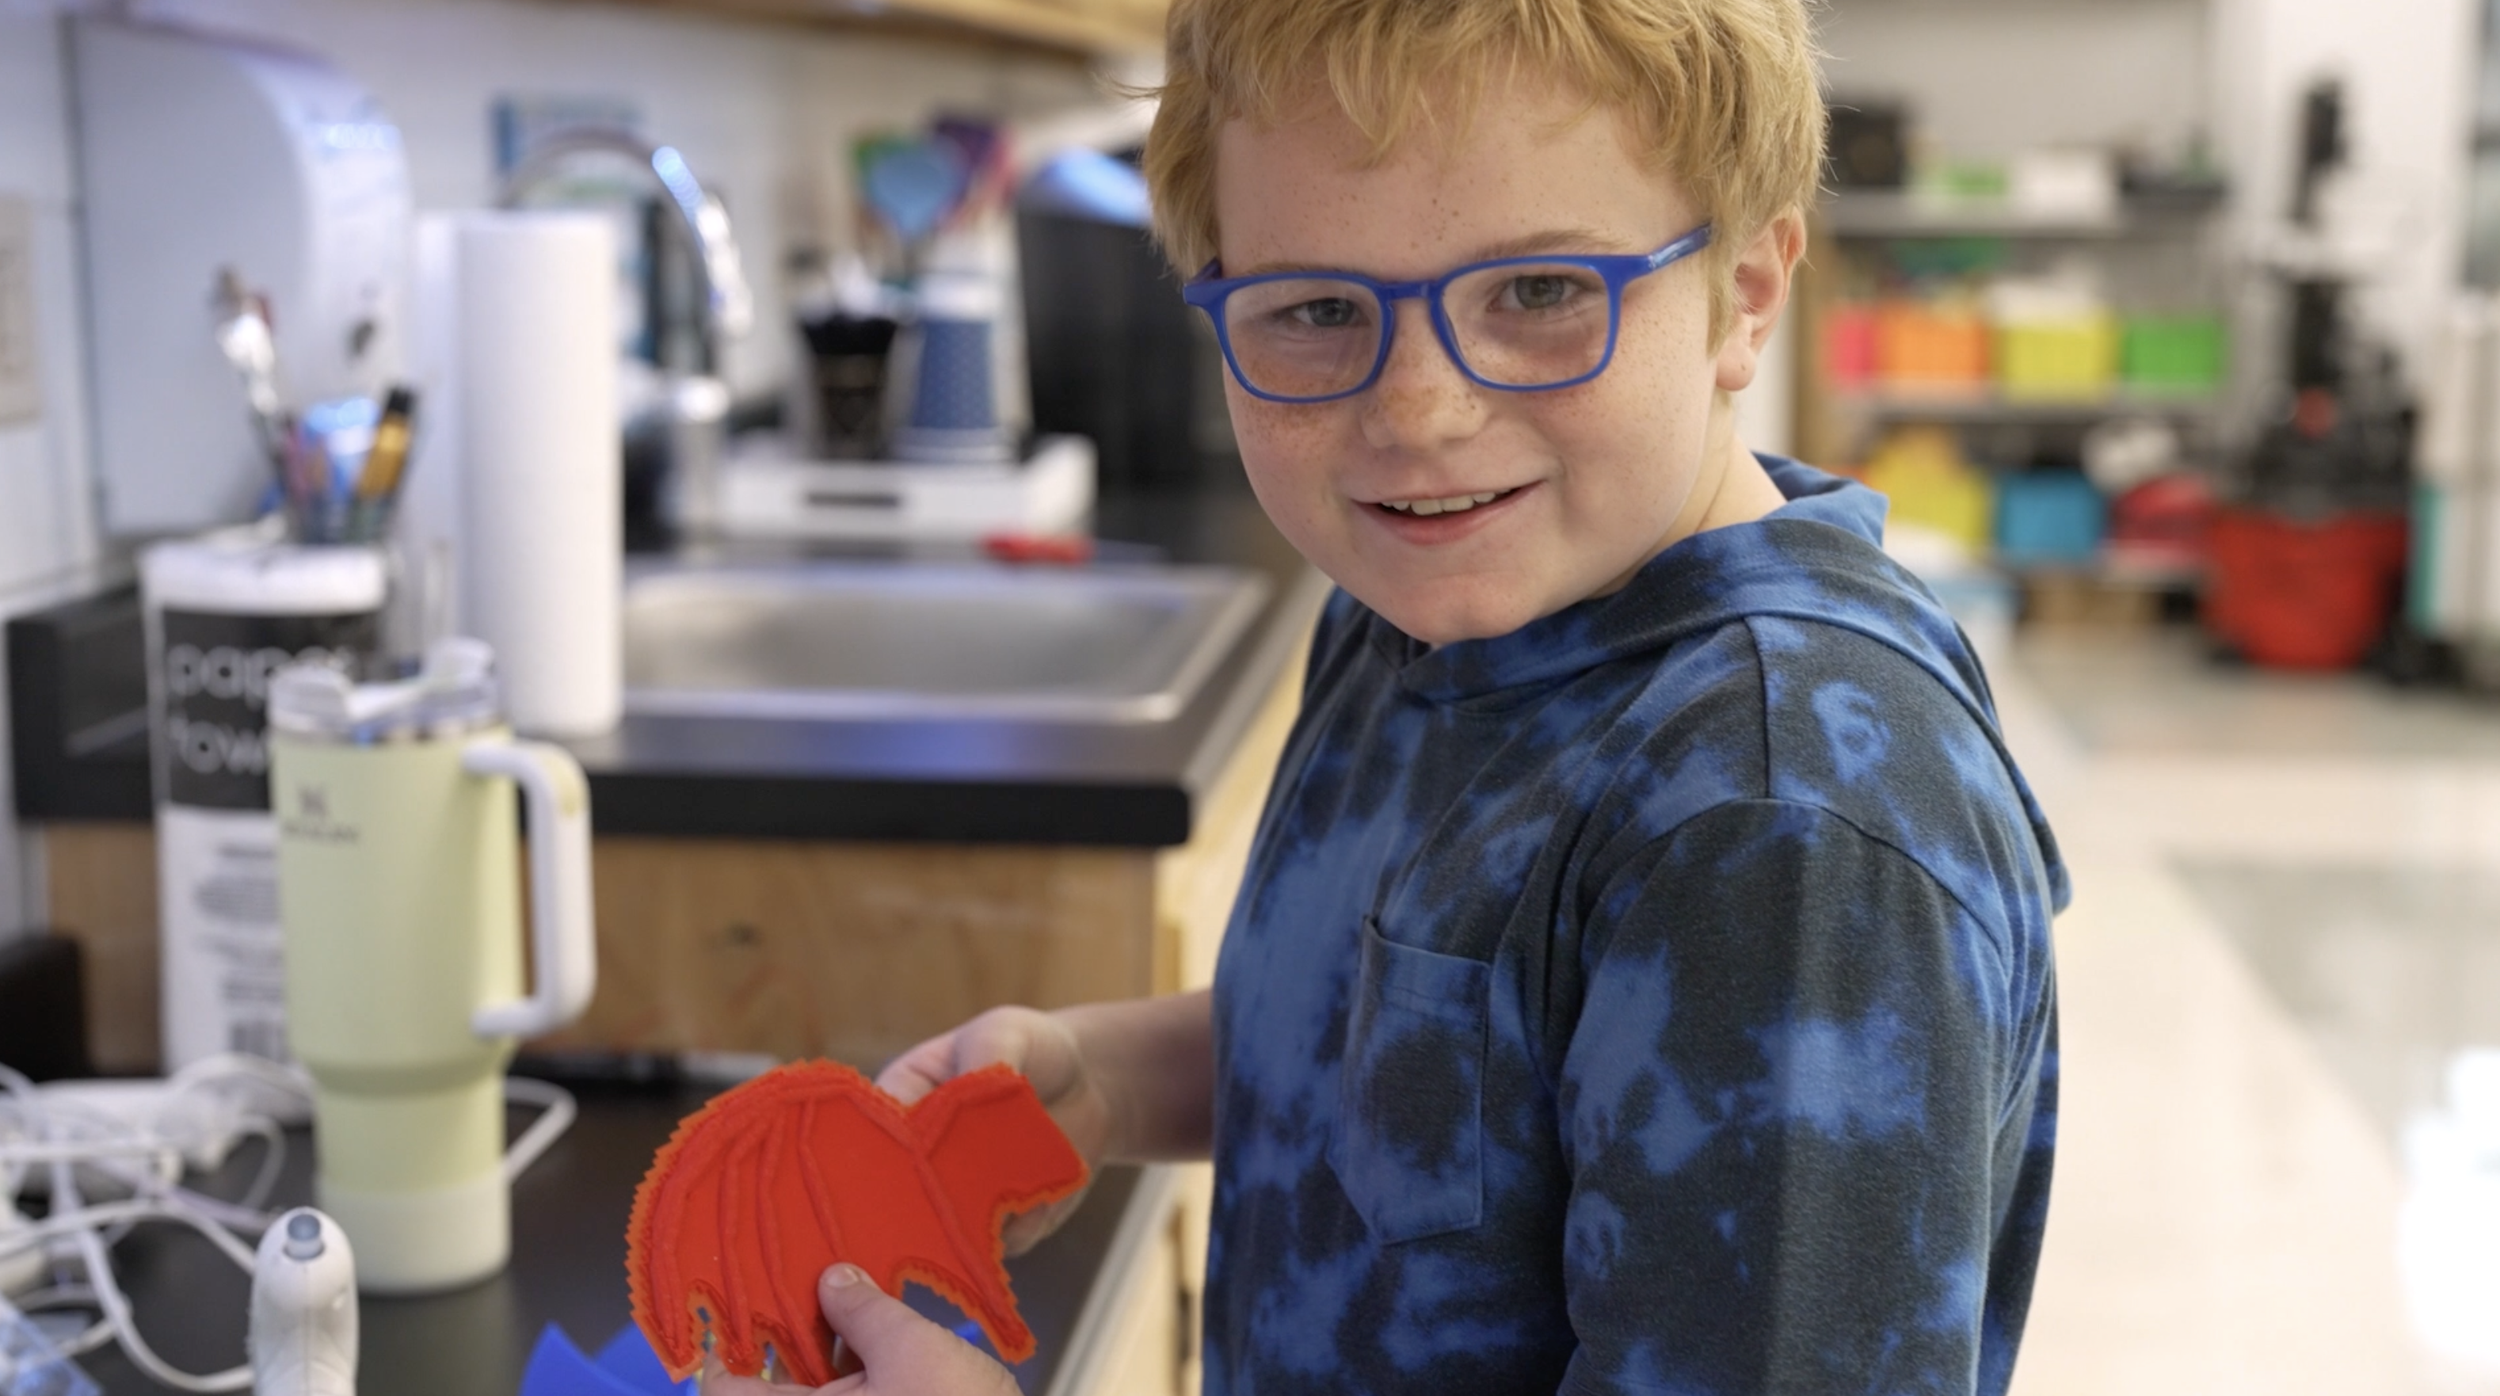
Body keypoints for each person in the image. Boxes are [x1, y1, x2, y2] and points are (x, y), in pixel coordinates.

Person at [705, 0, 2066, 1390]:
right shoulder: (1419, 605)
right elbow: (1432, 1064)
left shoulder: (1776, 827)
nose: (1416, 413)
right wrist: (1104, 1080)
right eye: (1316, 309)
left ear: (1749, 293)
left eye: (1540, 292)